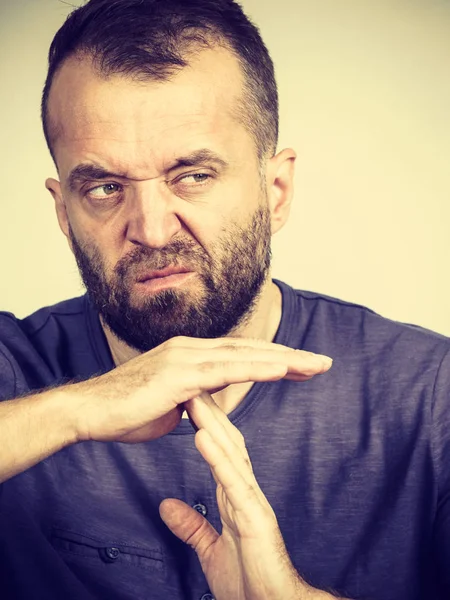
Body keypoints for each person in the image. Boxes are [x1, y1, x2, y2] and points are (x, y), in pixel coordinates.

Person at [0, 0, 449, 598]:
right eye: (106, 188)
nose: (153, 229)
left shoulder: (429, 395)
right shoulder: (15, 370)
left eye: (193, 175)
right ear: (64, 211)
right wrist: (74, 410)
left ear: (277, 190)